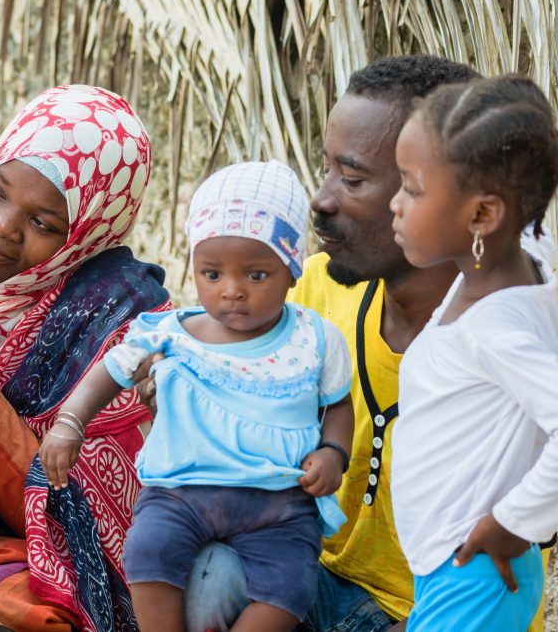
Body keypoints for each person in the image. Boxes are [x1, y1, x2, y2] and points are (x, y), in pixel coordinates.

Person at [158, 55, 491, 632]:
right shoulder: (308, 291)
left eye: (353, 179)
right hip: (303, 577)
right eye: (327, 169)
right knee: (209, 572)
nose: (321, 199)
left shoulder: (507, 340)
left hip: (434, 612)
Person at [39, 161, 355, 632]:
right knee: (148, 551)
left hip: (281, 502)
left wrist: (333, 452)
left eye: (255, 275)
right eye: (212, 273)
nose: (231, 291)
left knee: (290, 587)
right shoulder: (170, 333)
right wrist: (69, 424)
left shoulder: (314, 339)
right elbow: (108, 373)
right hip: (181, 493)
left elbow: (338, 405)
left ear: (291, 269)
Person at [0, 84, 172, 631]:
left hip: (8, 548)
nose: (1, 225)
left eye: (43, 223)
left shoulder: (121, 322)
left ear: (87, 233)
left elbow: (76, 518)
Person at [389, 74, 558, 630]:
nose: (394, 204)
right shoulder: (520, 256)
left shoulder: (495, 329)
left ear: (483, 216)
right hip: (454, 566)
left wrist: (515, 519)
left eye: (411, 189)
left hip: (477, 573)